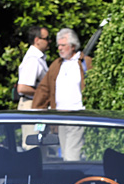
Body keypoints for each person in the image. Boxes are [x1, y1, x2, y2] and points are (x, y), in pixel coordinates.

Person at [32, 28, 90, 160]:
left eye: (63, 45)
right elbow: (44, 89)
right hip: (59, 118)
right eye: (58, 45)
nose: (59, 48)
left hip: (78, 117)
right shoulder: (57, 65)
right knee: (64, 155)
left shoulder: (84, 63)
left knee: (71, 157)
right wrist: (37, 112)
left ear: (73, 46)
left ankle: (72, 178)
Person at [16, 25, 50, 109]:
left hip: (34, 103)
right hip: (30, 104)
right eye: (46, 38)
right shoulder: (33, 59)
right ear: (37, 40)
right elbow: (22, 88)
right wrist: (43, 95)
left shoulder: (38, 58)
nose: (49, 41)